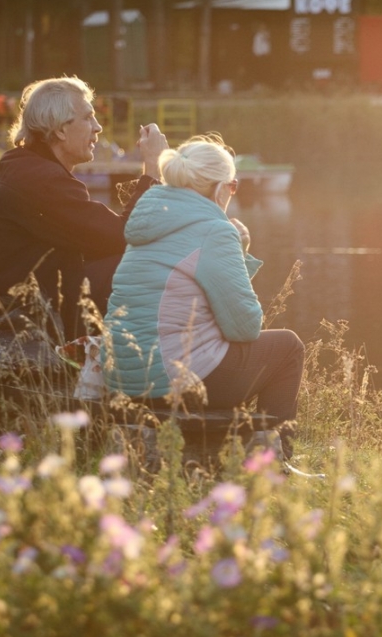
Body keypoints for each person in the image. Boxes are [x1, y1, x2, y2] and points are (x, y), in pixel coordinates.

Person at [0, 75, 169, 368]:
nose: (98, 127)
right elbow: (125, 234)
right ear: (59, 129)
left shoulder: (27, 167)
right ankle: (146, 370)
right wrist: (152, 167)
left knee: (118, 264)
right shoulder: (41, 181)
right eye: (88, 117)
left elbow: (106, 238)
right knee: (137, 265)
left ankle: (126, 367)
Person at [104, 133, 304, 454]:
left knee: (217, 348)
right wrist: (236, 250)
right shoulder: (215, 229)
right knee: (287, 348)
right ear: (219, 188)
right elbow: (245, 326)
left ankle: (214, 447)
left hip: (124, 380)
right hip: (174, 383)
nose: (231, 194)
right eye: (233, 186)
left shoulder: (147, 223)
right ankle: (272, 458)